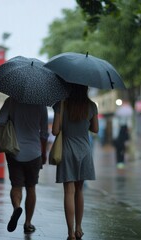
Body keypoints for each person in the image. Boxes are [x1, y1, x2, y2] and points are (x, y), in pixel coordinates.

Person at [51, 84, 99, 240]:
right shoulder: (91, 106)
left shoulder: (61, 104)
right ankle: (79, 228)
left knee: (68, 192)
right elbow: (96, 129)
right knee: (80, 190)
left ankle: (70, 233)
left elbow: (55, 131)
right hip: (84, 150)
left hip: (67, 149)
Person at [0, 97, 49, 234]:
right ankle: (28, 223)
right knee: (31, 188)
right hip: (34, 152)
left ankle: (16, 208)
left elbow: (1, 121)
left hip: (14, 150)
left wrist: (11, 117)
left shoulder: (11, 100)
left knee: (16, 186)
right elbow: (44, 132)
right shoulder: (41, 103)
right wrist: (44, 153)